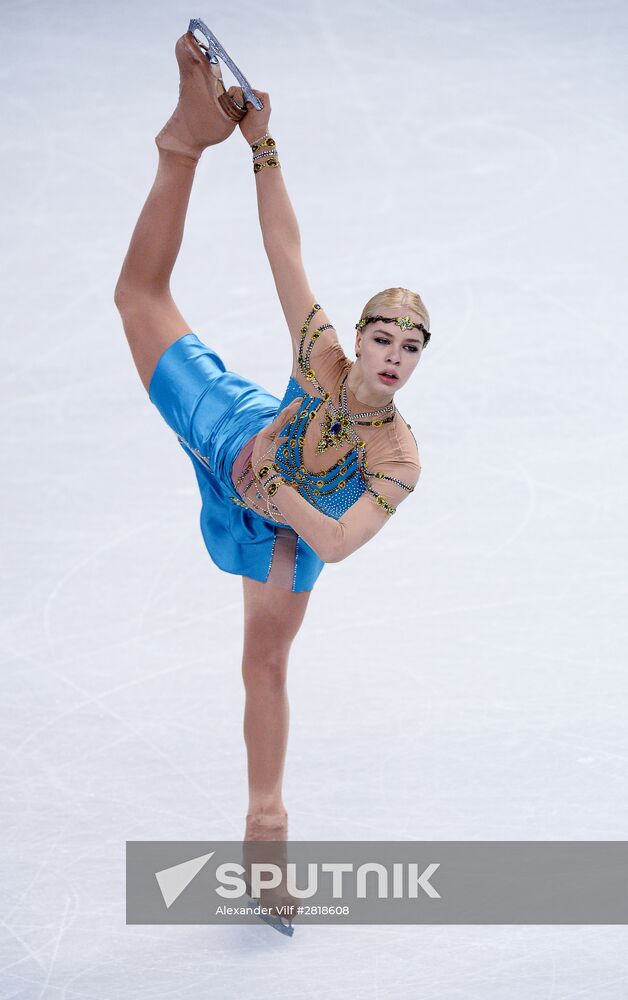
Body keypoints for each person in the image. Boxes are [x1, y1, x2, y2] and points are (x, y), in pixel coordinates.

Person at [114, 23, 431, 930]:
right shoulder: (321, 355)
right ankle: (182, 142)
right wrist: (259, 144)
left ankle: (266, 827)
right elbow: (283, 250)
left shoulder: (398, 457)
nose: (393, 356)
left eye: (410, 349)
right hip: (234, 436)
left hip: (287, 532)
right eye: (383, 338)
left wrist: (276, 499)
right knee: (140, 297)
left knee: (264, 660)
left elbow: (335, 539)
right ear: (360, 338)